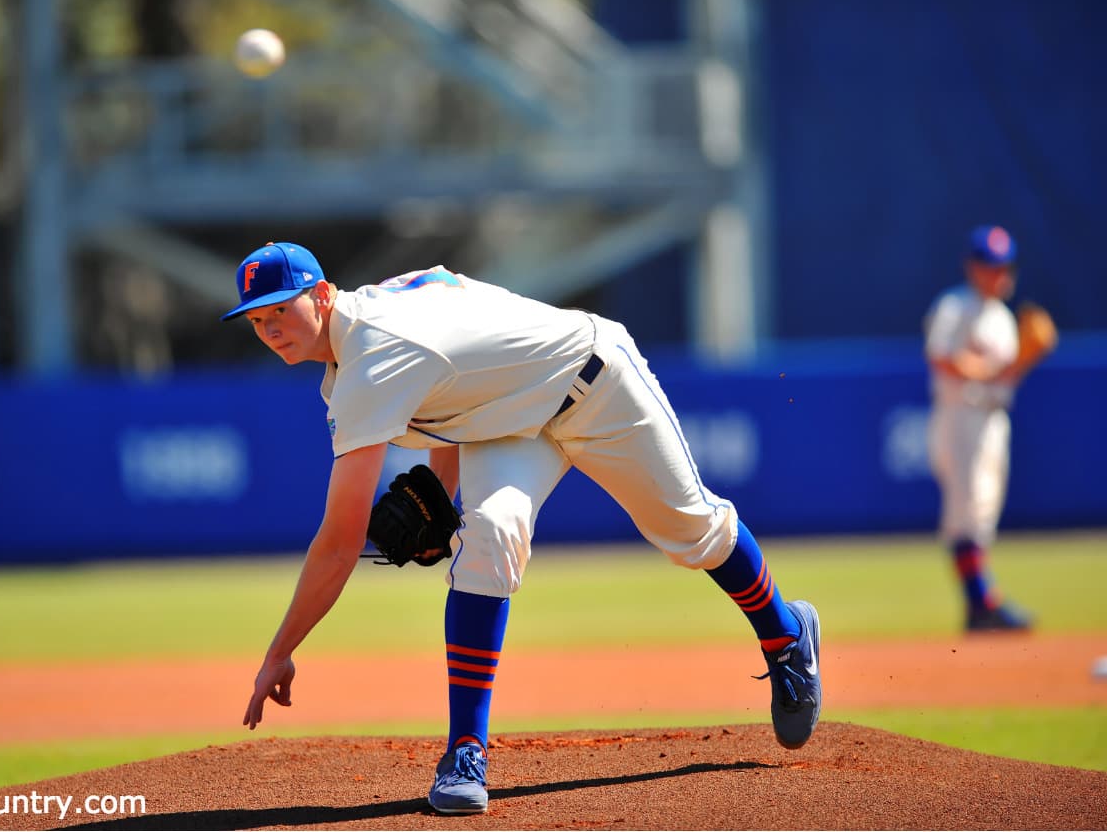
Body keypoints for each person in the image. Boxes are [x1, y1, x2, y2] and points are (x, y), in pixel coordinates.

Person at [227, 241, 822, 815]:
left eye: (283, 307)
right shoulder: (377, 310)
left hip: (595, 380)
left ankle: (785, 634)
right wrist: (446, 493)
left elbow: (338, 543)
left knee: (692, 531)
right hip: (509, 424)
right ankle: (466, 751)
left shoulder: (371, 361)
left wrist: (280, 652)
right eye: (257, 318)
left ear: (324, 295)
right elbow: (455, 368)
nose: (272, 326)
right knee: (486, 537)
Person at [923, 225, 1033, 632]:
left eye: (1005, 265)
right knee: (967, 512)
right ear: (972, 267)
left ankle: (980, 604)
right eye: (990, 264)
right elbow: (940, 357)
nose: (999, 273)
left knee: (983, 511)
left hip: (993, 418)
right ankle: (982, 602)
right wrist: (992, 371)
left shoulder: (1003, 317)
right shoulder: (955, 306)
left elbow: (1004, 378)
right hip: (961, 417)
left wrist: (1023, 363)